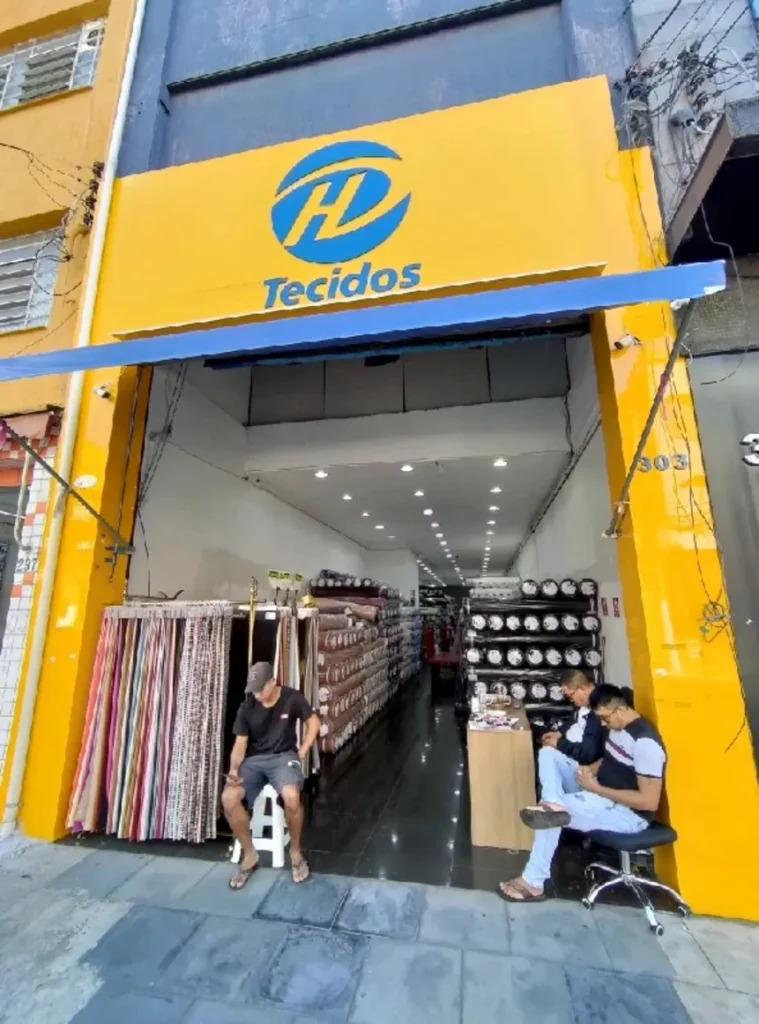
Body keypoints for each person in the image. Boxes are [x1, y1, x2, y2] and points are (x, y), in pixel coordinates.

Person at [499, 683, 666, 903]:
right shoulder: (619, 727)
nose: (603, 724)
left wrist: (596, 788)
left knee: (549, 817)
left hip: (627, 814)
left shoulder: (645, 743)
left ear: (620, 709)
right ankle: (553, 801)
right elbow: (609, 758)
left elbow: (649, 802)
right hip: (600, 793)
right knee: (548, 754)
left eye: (605, 718)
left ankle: (533, 883)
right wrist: (590, 770)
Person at [222, 661, 321, 889]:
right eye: (253, 690)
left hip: (284, 757)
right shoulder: (247, 707)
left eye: (260, 689)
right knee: (228, 798)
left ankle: (295, 853)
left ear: (272, 682)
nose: (256, 695)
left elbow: (314, 722)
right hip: (255, 761)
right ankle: (250, 855)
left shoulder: (292, 697)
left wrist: (303, 750)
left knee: (292, 797)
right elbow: (240, 744)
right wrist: (235, 769)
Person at [537, 670, 605, 801]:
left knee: (546, 754)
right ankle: (551, 800)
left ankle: (552, 802)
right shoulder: (583, 703)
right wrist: (559, 733)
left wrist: (558, 744)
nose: (570, 700)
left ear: (582, 688)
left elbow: (587, 754)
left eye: (570, 695)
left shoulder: (598, 712)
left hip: (582, 767)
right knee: (544, 748)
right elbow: (573, 720)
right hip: (570, 752)